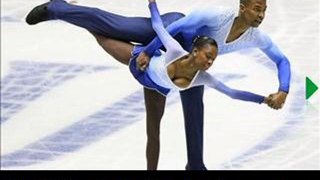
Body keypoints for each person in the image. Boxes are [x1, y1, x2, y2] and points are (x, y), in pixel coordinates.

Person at [25, 0, 290, 170]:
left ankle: (195, 165)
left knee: (193, 105)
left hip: (191, 60)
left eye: (264, 10)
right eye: (257, 8)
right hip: (169, 31)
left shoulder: (257, 37)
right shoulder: (216, 15)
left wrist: (283, 89)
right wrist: (149, 51)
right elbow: (175, 27)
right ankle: (57, 8)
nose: (261, 15)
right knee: (113, 24)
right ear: (242, 7)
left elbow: (281, 59)